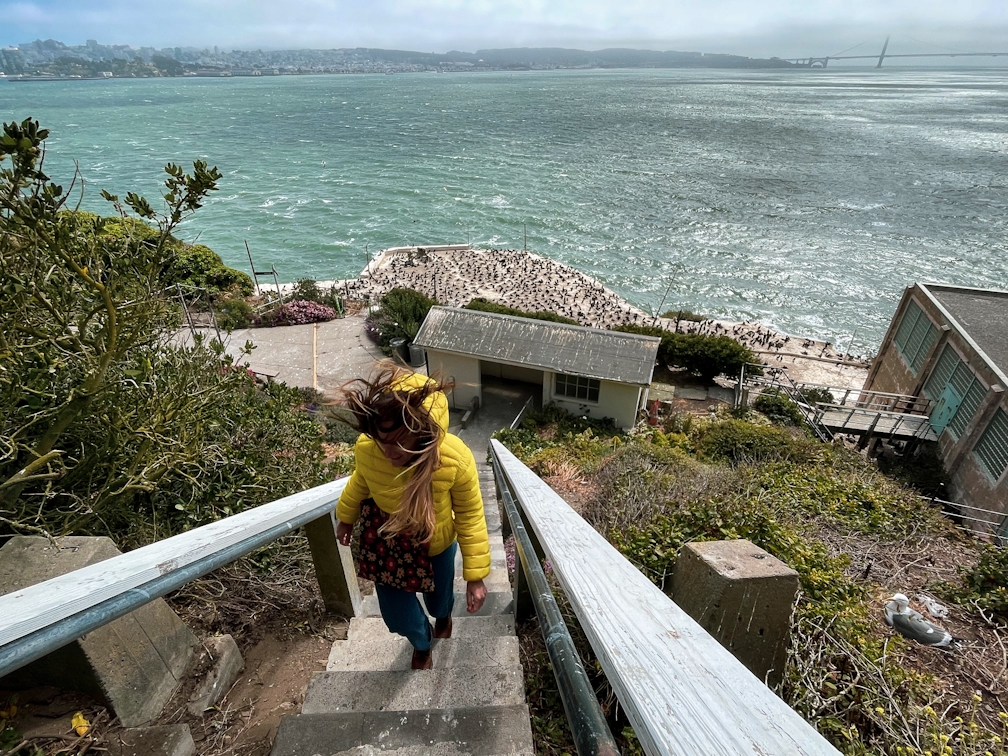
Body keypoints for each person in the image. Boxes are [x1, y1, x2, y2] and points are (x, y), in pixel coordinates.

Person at [333, 363, 490, 669]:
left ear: (423, 433)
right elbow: (359, 483)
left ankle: (442, 615)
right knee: (396, 615)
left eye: (399, 443)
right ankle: (422, 641)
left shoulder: (454, 458)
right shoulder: (369, 449)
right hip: (389, 544)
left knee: (439, 601)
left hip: (437, 546)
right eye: (382, 441)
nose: (388, 453)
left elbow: (470, 515)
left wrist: (475, 576)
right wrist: (346, 517)